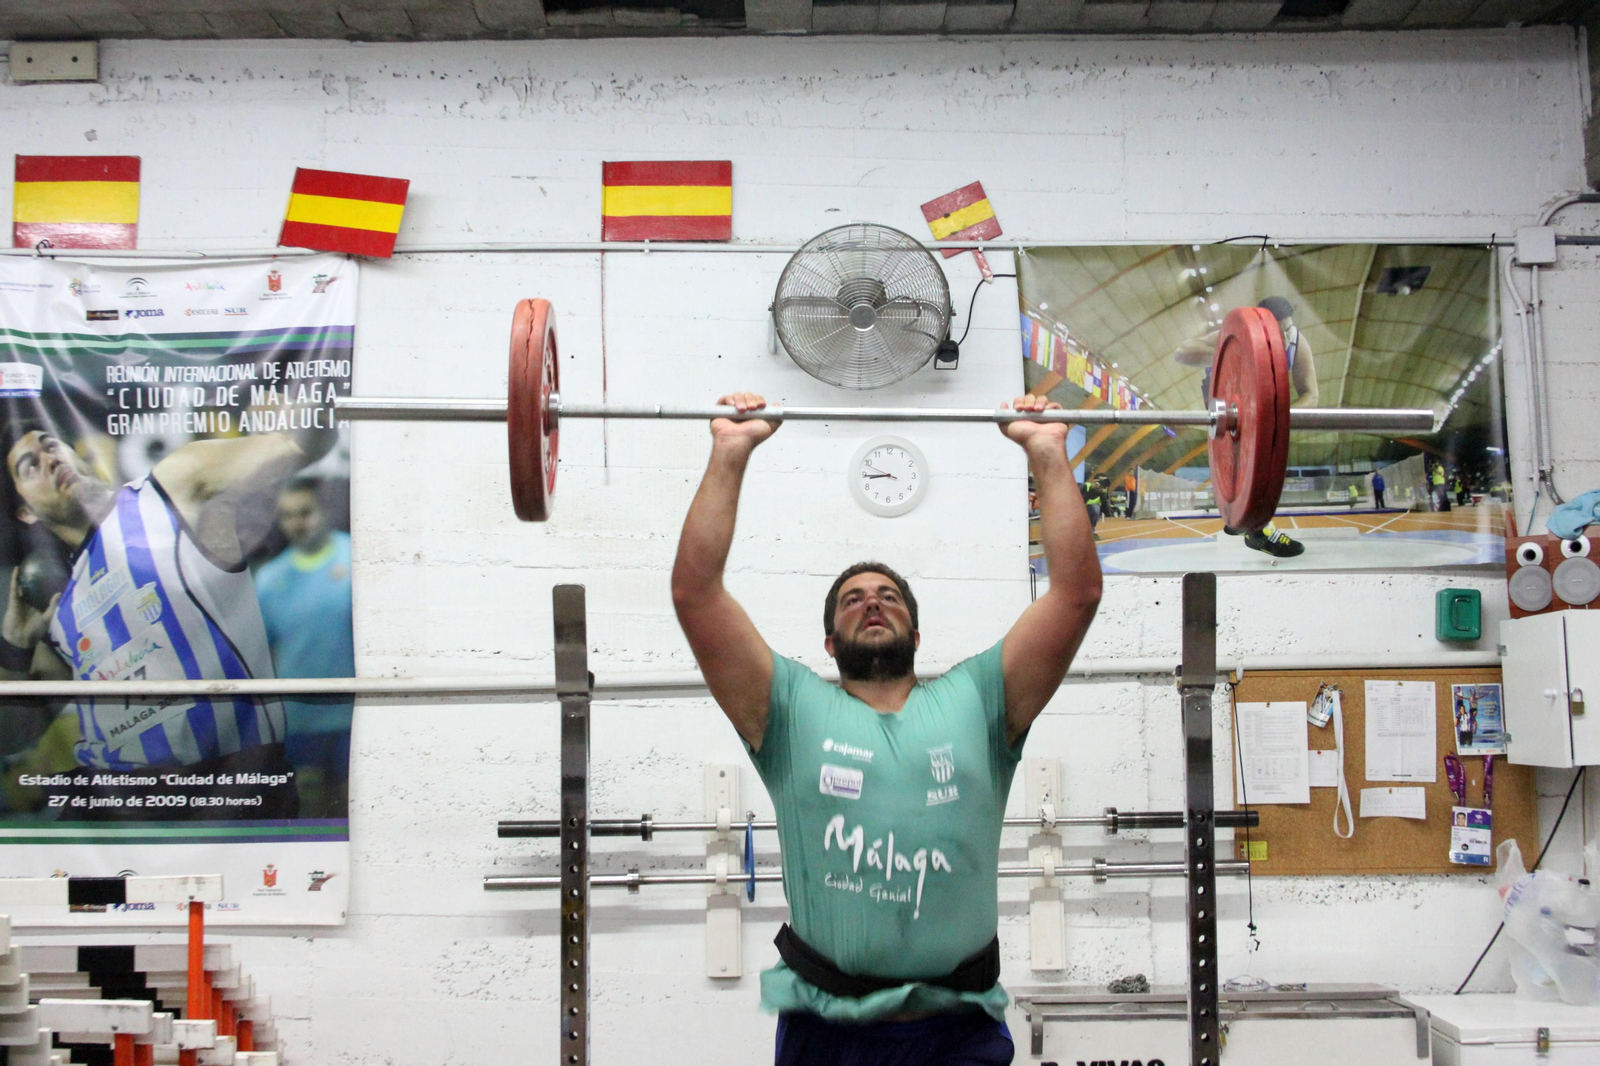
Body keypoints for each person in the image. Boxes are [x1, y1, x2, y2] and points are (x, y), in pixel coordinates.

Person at [672, 392, 1101, 1066]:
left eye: (888, 595)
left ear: (917, 631)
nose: (871, 600)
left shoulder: (981, 698)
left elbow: (1075, 594)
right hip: (827, 1029)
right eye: (853, 599)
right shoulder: (786, 709)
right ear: (829, 640)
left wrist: (1046, 453)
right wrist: (731, 453)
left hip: (957, 1026)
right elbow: (696, 594)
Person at [0, 404, 336, 819]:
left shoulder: (171, 487)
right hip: (120, 808)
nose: (50, 460)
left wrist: (316, 400)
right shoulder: (59, 607)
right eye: (31, 466)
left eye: (52, 445)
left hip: (230, 788)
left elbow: (300, 445)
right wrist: (14, 645)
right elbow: (12, 739)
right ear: (25, 511)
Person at [1172, 296, 1313, 559]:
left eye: (1287, 328)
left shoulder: (1296, 341)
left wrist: (1277, 417)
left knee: (1267, 463)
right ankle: (1251, 525)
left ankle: (1252, 526)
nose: (1283, 335)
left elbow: (1311, 394)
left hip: (1264, 409)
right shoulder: (1238, 336)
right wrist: (1235, 349)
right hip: (1227, 404)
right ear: (1262, 324)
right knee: (1236, 461)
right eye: (1277, 329)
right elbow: (1181, 353)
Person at [254, 478, 355, 819]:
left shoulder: (360, 561)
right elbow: (261, 654)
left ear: (325, 511)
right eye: (287, 515)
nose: (297, 523)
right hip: (299, 722)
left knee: (353, 815)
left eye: (305, 512)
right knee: (308, 815)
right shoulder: (270, 578)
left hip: (356, 719)